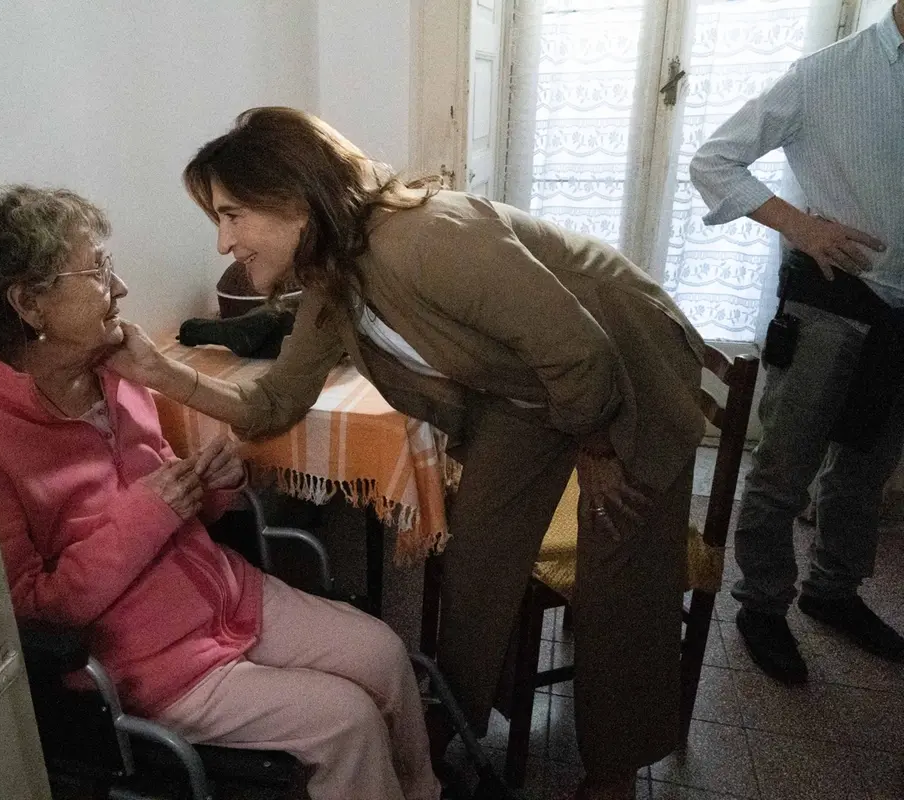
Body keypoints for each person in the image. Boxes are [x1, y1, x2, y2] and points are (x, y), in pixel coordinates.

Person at [109, 108, 708, 800]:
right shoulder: (334, 277)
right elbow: (275, 403)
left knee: (620, 573)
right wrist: (158, 371)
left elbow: (580, 349)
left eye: (232, 214)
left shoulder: (422, 239)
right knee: (478, 555)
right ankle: (450, 722)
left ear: (294, 198)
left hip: (625, 362)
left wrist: (599, 446)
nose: (222, 241)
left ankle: (613, 775)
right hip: (531, 388)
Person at [0, 185, 440, 800]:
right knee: (345, 721)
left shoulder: (114, 373)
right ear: (29, 304)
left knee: (385, 654)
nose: (120, 286)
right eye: (98, 269)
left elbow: (172, 499)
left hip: (224, 594)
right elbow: (35, 611)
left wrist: (210, 489)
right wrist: (151, 512)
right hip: (148, 663)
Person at [690, 2, 904, 684]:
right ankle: (761, 604)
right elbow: (715, 161)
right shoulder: (824, 73)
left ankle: (833, 592)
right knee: (786, 468)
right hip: (829, 307)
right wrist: (800, 227)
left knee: (865, 473)